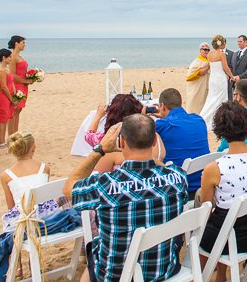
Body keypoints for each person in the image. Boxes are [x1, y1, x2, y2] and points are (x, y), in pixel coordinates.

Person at [65, 115, 189, 282]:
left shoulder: (105, 185)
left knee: (92, 259)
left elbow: (68, 188)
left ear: (121, 142)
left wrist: (100, 150)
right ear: (154, 142)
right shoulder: (178, 178)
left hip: (115, 274)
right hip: (163, 268)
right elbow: (159, 169)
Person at [199, 102, 247, 282]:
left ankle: (201, 275)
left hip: (226, 239)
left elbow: (205, 210)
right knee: (223, 220)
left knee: (202, 232)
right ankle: (221, 274)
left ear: (220, 131)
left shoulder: (214, 168)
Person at [0, 131, 58, 233]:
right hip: (49, 217)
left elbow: (11, 207)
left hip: (25, 220)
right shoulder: (44, 169)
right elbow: (46, 198)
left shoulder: (6, 176)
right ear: (34, 148)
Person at [153, 88, 209, 193]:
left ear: (163, 106)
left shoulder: (163, 125)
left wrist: (143, 115)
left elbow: (141, 134)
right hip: (202, 181)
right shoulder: (199, 120)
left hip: (178, 185)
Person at [199, 35, 236, 128]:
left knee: (211, 97)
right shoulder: (221, 54)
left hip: (212, 79)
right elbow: (225, 67)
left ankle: (204, 117)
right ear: (221, 44)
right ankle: (219, 120)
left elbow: (209, 67)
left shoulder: (210, 54)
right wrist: (232, 76)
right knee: (221, 99)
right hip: (220, 79)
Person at [0, 48, 16, 149]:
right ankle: (1, 142)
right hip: (3, 97)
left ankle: (4, 140)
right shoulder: (1, 70)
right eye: (9, 56)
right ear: (3, 58)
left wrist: (15, 93)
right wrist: (11, 99)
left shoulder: (7, 69)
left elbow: (11, 82)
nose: (11, 58)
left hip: (10, 95)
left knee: (6, 119)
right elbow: (4, 86)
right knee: (2, 120)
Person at [8, 35, 31, 135]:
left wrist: (31, 77)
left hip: (23, 85)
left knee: (18, 111)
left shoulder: (19, 56)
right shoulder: (12, 56)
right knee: (14, 111)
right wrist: (25, 81)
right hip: (17, 86)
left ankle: (15, 133)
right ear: (16, 43)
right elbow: (12, 74)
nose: (24, 45)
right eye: (23, 43)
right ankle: (11, 135)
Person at [185, 42, 211, 114]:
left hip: (205, 87)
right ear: (200, 51)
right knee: (196, 106)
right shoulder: (197, 61)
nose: (206, 51)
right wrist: (209, 66)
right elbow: (199, 73)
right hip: (197, 88)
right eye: (204, 49)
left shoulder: (208, 60)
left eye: (208, 50)